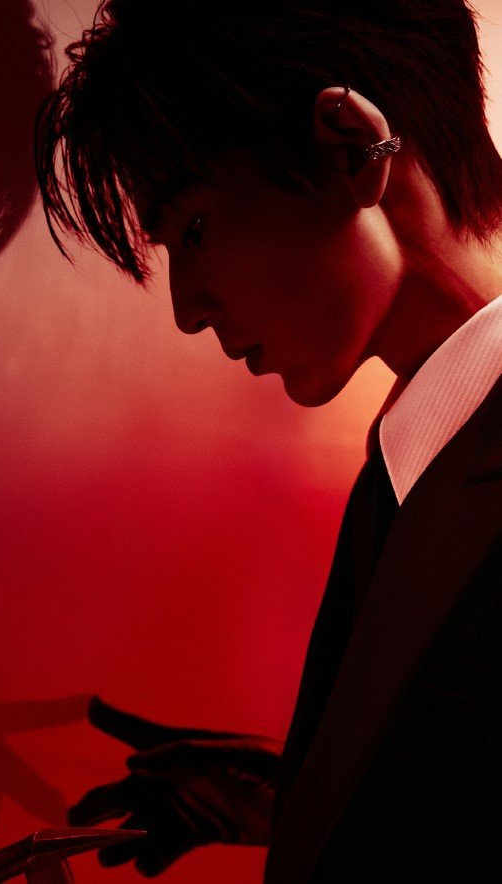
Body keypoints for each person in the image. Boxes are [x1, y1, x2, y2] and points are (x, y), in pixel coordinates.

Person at [34, 0, 502, 880]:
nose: (187, 309)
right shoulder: (408, 468)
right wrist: (326, 790)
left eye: (195, 228)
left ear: (349, 145)